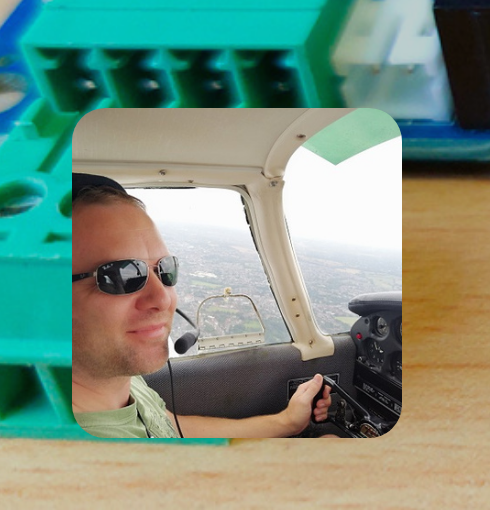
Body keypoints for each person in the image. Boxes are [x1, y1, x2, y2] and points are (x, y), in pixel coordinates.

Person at [70, 174, 332, 438]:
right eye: (122, 275)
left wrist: (287, 422)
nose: (163, 299)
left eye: (165, 269)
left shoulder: (113, 378)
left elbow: (168, 426)